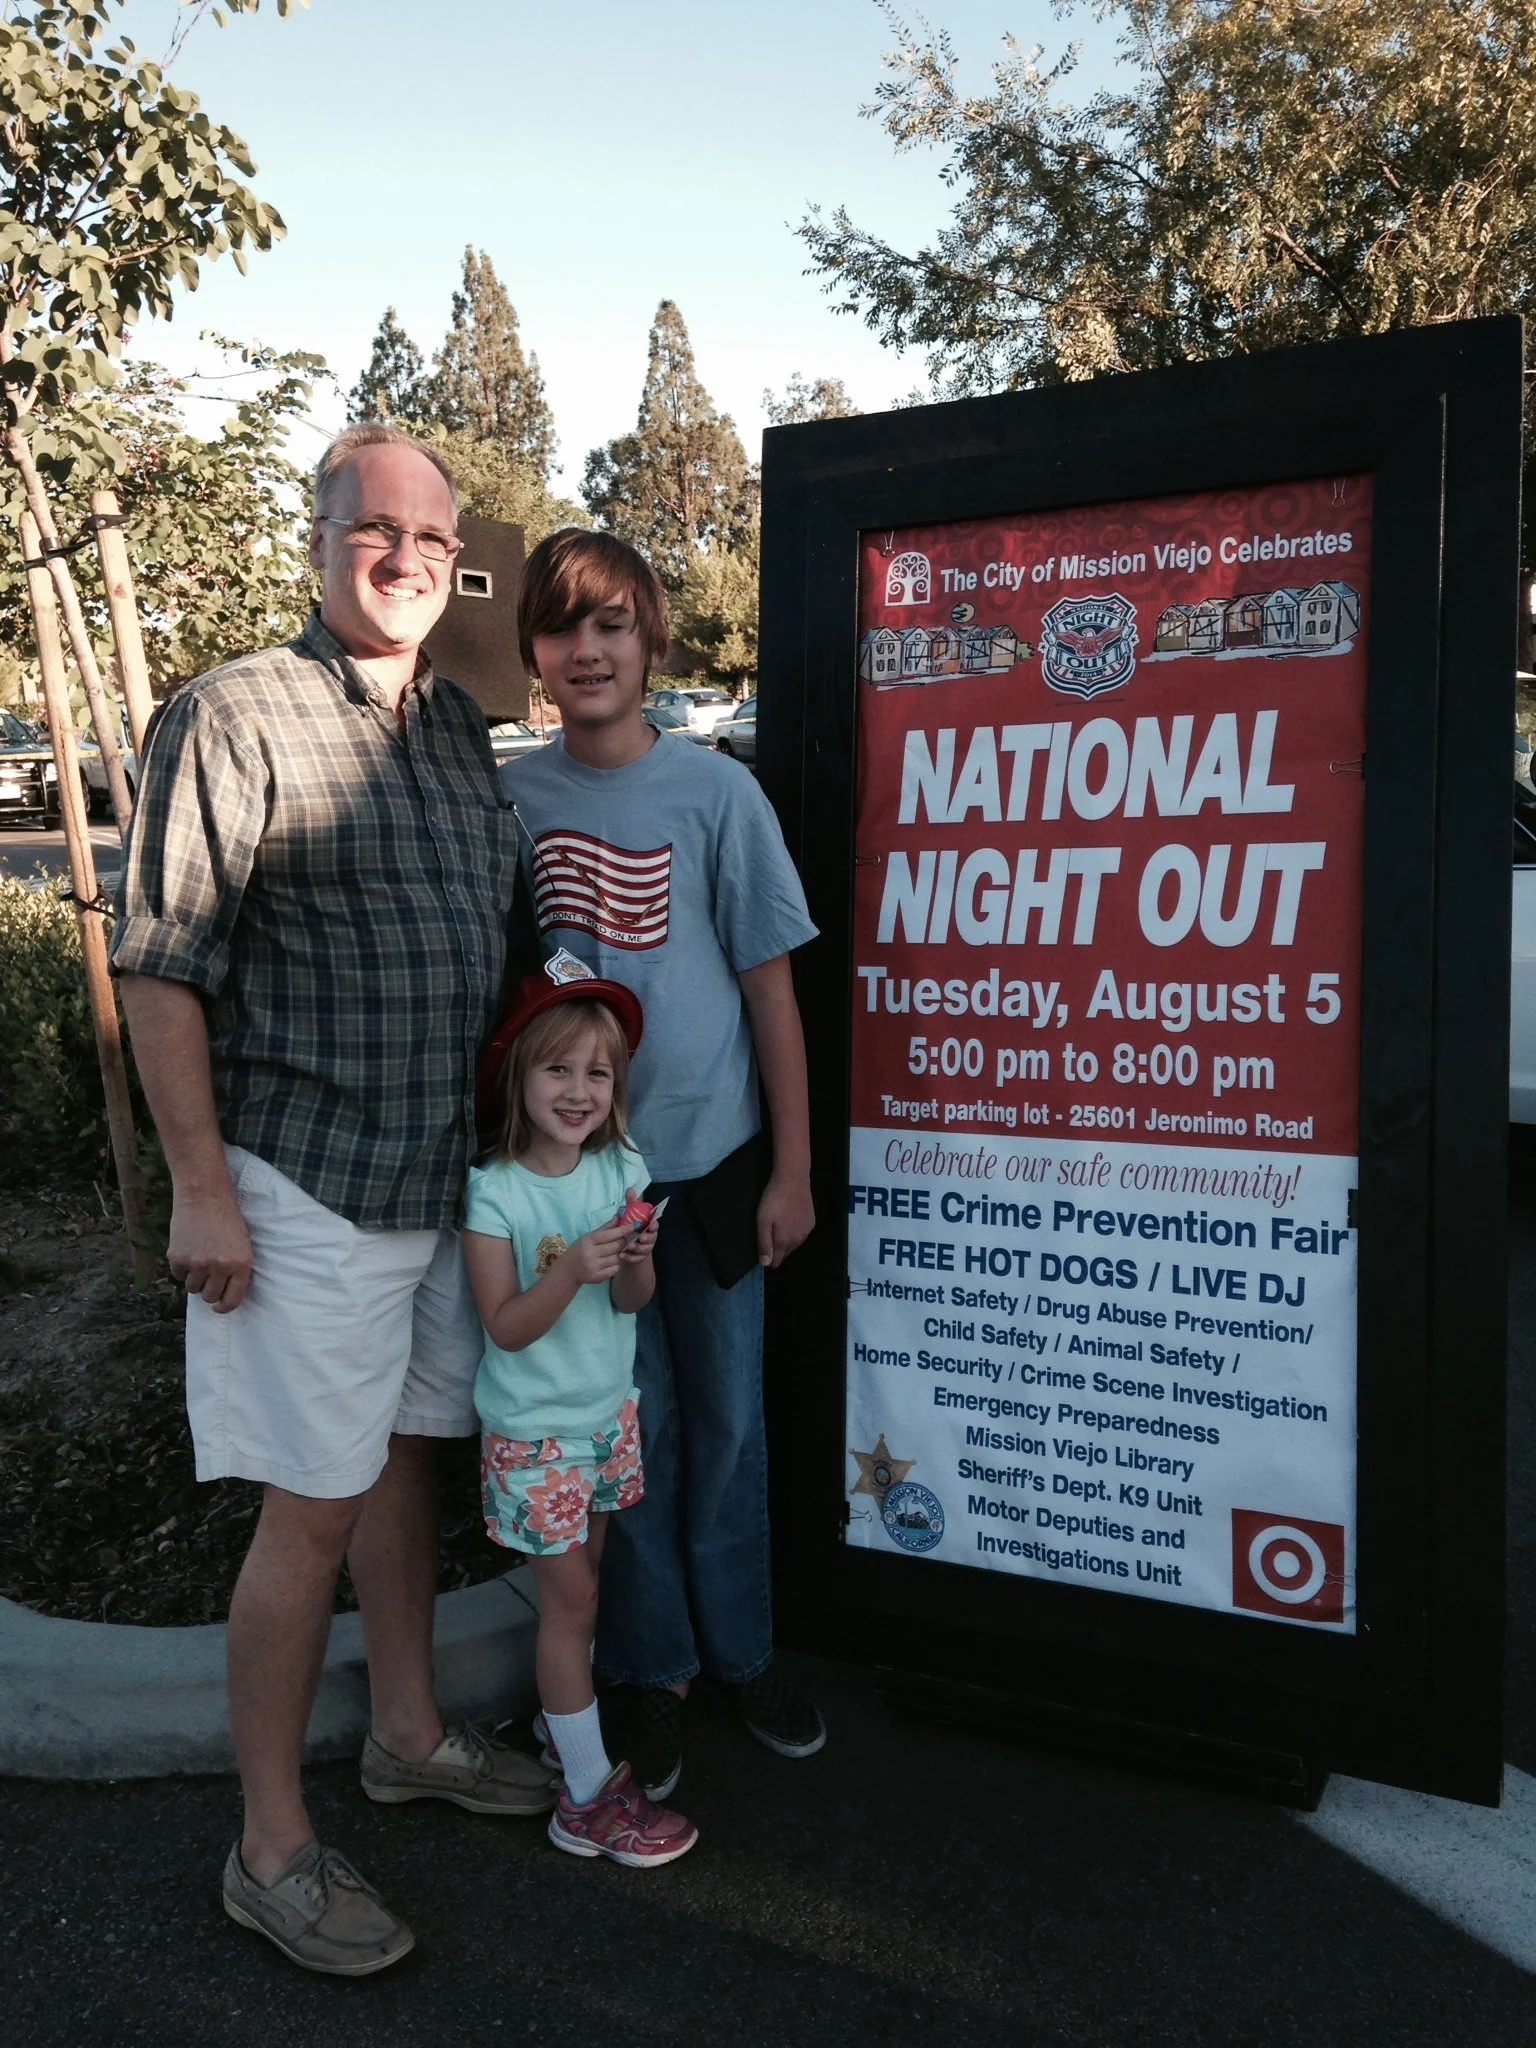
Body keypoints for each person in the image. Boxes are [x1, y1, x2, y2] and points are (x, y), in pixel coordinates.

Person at [110, 424, 554, 1978]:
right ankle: (270, 1847)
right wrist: (200, 1191)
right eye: (378, 529)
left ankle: (408, 1735)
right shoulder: (230, 715)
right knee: (307, 1511)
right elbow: (161, 966)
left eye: (435, 539)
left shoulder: (451, 729)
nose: (409, 557)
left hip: (437, 1178)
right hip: (303, 1186)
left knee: (401, 1467)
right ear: (319, 540)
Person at [500, 529, 822, 1802]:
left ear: (652, 643)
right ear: (533, 649)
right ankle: (656, 1666)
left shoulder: (716, 795)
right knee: (628, 1430)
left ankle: (743, 1651)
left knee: (732, 1420)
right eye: (564, 626)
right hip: (588, 1188)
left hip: (720, 1166)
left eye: (613, 625)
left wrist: (794, 1166)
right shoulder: (513, 802)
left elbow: (770, 990)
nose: (588, 649)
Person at [463, 956, 697, 1866]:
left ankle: (573, 1744)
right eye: (557, 1068)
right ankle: (588, 1800)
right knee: (574, 1605)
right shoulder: (497, 1192)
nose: (578, 1089)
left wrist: (636, 1253)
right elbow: (507, 1327)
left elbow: (634, 1302)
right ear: (519, 1075)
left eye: (597, 1072)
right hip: (536, 1436)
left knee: (583, 1598)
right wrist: (570, 1268)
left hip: (606, 1416)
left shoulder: (622, 1166)